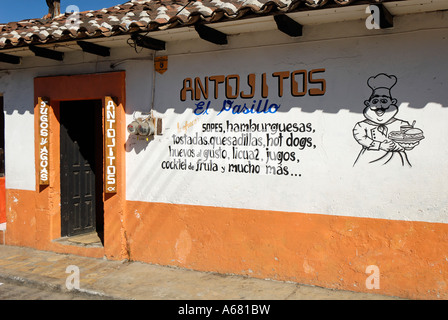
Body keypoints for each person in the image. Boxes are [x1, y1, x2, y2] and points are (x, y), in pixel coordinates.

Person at [353, 73, 413, 167]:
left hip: (396, 159)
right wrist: (380, 145)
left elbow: (408, 140)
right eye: (375, 101)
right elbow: (361, 138)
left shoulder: (402, 124)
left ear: (392, 102)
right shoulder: (361, 126)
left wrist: (400, 145)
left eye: (384, 101)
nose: (379, 106)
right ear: (368, 103)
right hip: (370, 159)